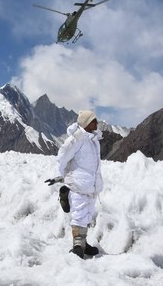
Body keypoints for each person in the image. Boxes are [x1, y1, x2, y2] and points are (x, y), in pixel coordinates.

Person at [56, 110, 103, 259]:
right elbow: (62, 157)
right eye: (93, 120)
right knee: (79, 215)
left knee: (87, 215)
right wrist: (67, 176)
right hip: (78, 185)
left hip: (90, 186)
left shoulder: (93, 139)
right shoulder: (77, 138)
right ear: (87, 123)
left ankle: (83, 243)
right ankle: (77, 245)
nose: (96, 123)